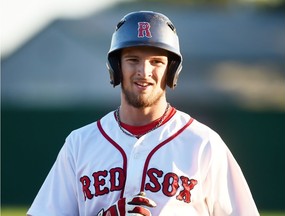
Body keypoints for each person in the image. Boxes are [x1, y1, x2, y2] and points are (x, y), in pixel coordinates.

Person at [27, 11, 259, 216]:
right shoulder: (79, 144)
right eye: (133, 60)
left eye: (156, 61)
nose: (144, 71)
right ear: (117, 67)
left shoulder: (204, 143)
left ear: (171, 70)